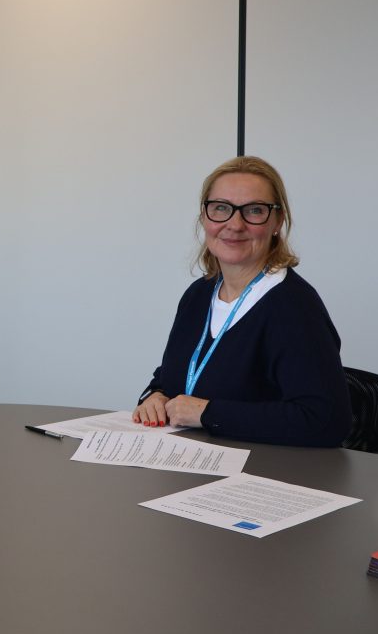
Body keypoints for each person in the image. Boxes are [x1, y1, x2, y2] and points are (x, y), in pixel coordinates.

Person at [132, 156, 351, 447]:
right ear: (204, 218)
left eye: (254, 211)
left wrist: (208, 413)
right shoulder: (198, 295)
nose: (235, 225)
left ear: (277, 221)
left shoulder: (294, 307)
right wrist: (155, 397)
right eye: (221, 208)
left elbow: (326, 420)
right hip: (188, 466)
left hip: (265, 477)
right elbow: (174, 377)